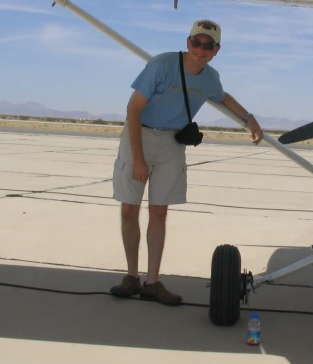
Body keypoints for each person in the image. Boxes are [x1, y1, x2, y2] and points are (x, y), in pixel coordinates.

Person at [109, 19, 263, 305]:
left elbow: (223, 97)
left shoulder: (210, 77)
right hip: (138, 136)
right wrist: (138, 159)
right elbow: (133, 109)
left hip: (171, 144)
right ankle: (131, 276)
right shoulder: (162, 65)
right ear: (187, 41)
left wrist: (249, 118)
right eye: (196, 42)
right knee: (129, 209)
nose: (200, 50)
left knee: (159, 212)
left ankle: (152, 282)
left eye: (208, 45)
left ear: (216, 50)